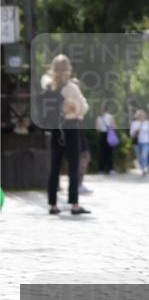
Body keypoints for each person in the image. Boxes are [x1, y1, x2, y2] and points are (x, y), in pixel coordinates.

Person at [41, 54, 90, 215]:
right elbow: (83, 108)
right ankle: (74, 204)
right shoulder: (71, 87)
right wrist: (75, 108)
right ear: (68, 68)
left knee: (54, 166)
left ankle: (53, 204)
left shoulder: (48, 86)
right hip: (71, 127)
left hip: (56, 128)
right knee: (73, 166)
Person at [130, 110, 149, 175]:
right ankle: (142, 167)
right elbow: (131, 134)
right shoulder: (134, 123)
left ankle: (144, 168)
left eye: (143, 116)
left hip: (146, 142)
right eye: (140, 116)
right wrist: (136, 131)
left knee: (144, 155)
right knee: (139, 156)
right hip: (137, 142)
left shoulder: (147, 123)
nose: (142, 117)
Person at [95, 105, 116, 174]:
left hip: (102, 135)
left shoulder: (99, 118)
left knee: (102, 153)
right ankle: (110, 169)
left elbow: (97, 129)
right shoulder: (111, 117)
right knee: (110, 153)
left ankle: (101, 169)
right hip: (109, 135)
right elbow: (114, 127)